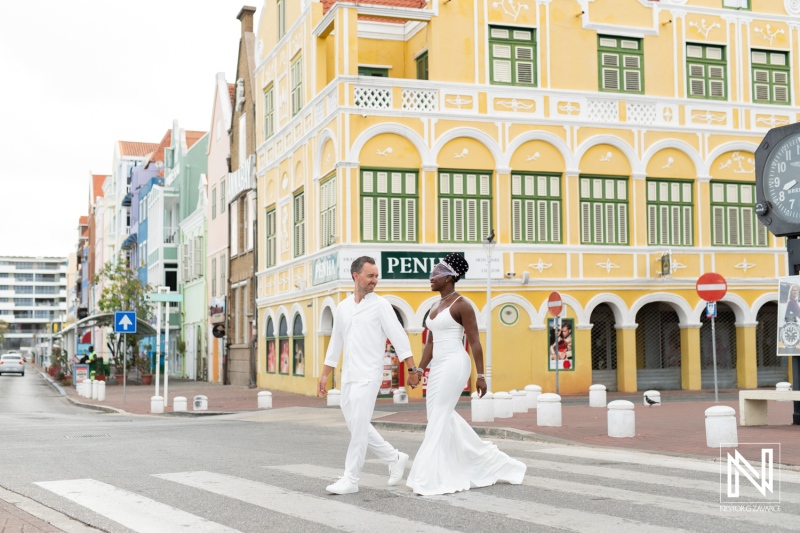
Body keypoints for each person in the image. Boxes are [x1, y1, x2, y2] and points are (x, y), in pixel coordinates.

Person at [406, 253, 527, 496]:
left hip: (455, 363)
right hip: (438, 365)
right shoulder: (434, 306)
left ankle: (428, 476)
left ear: (450, 277)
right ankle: (493, 462)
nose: (431, 276)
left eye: (436, 272)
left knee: (440, 415)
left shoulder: (462, 305)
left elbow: (475, 342)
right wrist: (419, 369)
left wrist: (481, 376)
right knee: (439, 416)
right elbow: (429, 344)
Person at [318, 256, 421, 495]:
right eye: (370, 275)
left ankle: (351, 478)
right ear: (356, 276)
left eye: (376, 276)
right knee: (357, 426)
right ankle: (394, 457)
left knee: (360, 427)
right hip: (349, 376)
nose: (375, 280)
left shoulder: (381, 305)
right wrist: (325, 374)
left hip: (369, 376)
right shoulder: (343, 307)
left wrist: (413, 369)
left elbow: (399, 337)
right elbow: (336, 342)